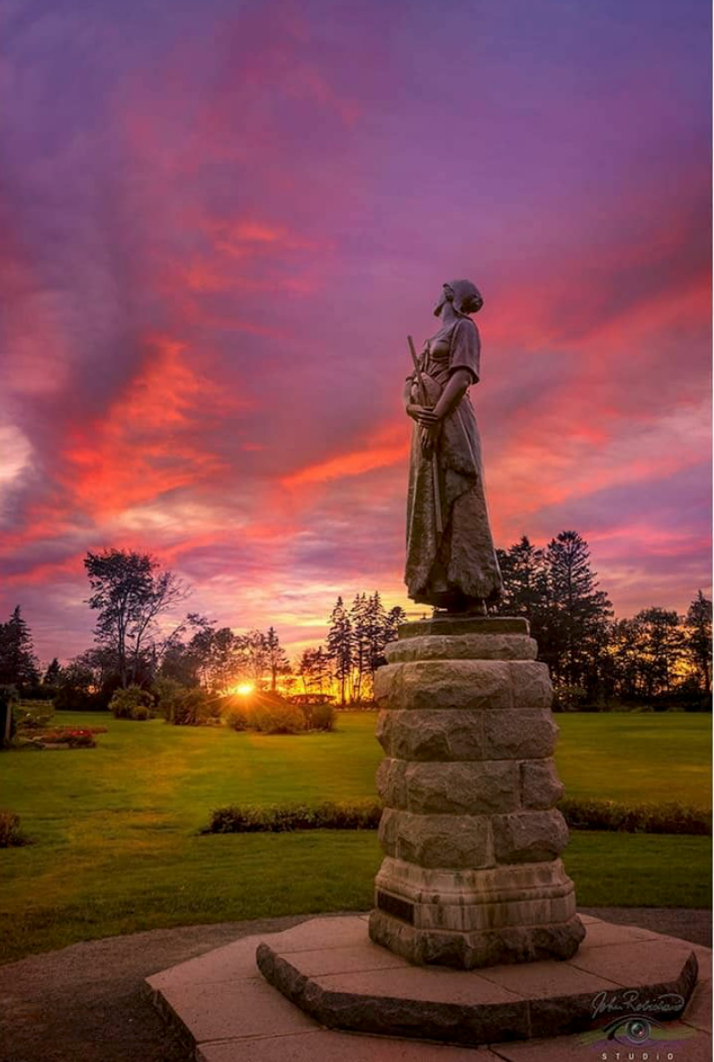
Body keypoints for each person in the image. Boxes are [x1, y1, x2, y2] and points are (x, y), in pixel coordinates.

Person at [403, 279, 503, 613]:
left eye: (440, 288)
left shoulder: (465, 328)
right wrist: (411, 407)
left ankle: (471, 587)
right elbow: (410, 381)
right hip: (427, 423)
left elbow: (461, 376)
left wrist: (436, 417)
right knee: (430, 498)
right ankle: (442, 586)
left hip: (452, 419)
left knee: (457, 496)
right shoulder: (432, 338)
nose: (435, 293)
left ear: (449, 295)